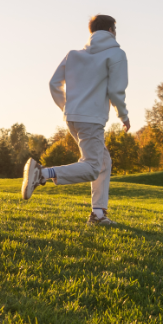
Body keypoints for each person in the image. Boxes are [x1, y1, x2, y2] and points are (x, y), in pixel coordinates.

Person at [21, 14, 129, 227]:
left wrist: (67, 107)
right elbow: (116, 90)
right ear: (110, 30)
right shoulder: (116, 54)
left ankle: (98, 215)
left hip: (73, 118)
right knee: (91, 167)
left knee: (103, 162)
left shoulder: (73, 55)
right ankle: (42, 174)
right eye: (115, 29)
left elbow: (54, 83)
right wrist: (123, 115)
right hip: (91, 120)